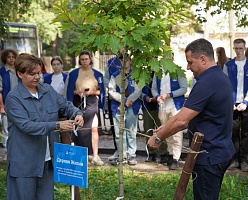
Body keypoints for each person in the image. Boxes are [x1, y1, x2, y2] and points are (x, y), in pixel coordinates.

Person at [148, 38, 235, 199]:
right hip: (221, 150)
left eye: (190, 62)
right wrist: (165, 127)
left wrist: (159, 137)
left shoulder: (206, 83)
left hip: (209, 156)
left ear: (202, 59)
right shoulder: (219, 77)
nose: (187, 67)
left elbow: (182, 120)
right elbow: (188, 115)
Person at [4, 53, 84, 200]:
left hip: (46, 161)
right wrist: (57, 125)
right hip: (24, 163)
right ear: (20, 74)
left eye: (39, 73)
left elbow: (65, 106)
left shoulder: (47, 90)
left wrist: (77, 114)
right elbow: (27, 125)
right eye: (32, 74)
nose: (37, 77)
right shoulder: (13, 98)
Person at [65, 50, 105, 166]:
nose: (84, 61)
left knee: (93, 128)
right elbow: (69, 91)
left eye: (86, 59)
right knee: (80, 129)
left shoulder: (97, 74)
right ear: (79, 61)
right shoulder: (73, 74)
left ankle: (95, 155)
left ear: (90, 60)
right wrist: (77, 92)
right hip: (78, 101)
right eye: (82, 59)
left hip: (92, 101)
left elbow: (101, 91)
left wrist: (92, 92)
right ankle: (82, 155)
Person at [151, 65, 187, 170]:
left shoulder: (177, 70)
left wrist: (170, 94)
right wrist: (157, 96)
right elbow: (154, 88)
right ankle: (170, 154)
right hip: (162, 106)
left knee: (176, 132)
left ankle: (175, 158)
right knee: (166, 131)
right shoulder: (157, 70)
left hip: (175, 105)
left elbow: (184, 88)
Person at [108, 53, 142, 165]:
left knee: (131, 131)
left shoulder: (135, 74)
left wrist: (128, 101)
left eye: (126, 60)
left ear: (130, 61)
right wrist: (122, 101)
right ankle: (122, 154)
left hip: (132, 105)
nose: (124, 62)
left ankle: (132, 155)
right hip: (118, 106)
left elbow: (138, 90)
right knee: (119, 133)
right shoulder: (115, 75)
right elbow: (111, 91)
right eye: (121, 60)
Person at [223, 38, 248, 171]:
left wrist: (245, 102)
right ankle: (234, 159)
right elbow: (225, 84)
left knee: (246, 133)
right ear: (233, 48)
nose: (238, 51)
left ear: (245, 48)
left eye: (241, 48)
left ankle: (244, 160)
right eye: (236, 48)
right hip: (232, 104)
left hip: (246, 104)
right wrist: (230, 101)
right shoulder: (228, 65)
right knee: (232, 132)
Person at [141, 72, 168, 163]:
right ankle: (151, 153)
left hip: (160, 106)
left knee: (161, 130)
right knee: (148, 129)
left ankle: (163, 153)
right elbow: (138, 89)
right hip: (147, 107)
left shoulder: (160, 73)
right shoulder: (143, 73)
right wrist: (145, 97)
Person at [44, 56, 70, 144]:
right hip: (50, 106)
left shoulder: (67, 77)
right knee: (53, 130)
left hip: (63, 105)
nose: (56, 66)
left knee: (65, 130)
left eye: (58, 64)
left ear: (62, 65)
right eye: (54, 64)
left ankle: (67, 150)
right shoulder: (47, 78)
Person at [103, 51, 124, 152]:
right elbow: (105, 78)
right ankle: (118, 151)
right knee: (115, 128)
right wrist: (112, 89)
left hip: (130, 101)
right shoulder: (110, 62)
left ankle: (130, 153)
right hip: (114, 98)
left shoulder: (132, 61)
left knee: (129, 130)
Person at [0, 48, 18, 161]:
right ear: (5, 58)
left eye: (13, 57)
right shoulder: (2, 72)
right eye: (9, 57)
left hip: (20, 104)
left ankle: (17, 152)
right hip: (6, 104)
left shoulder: (19, 70)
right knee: (6, 130)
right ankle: (7, 154)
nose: (11, 59)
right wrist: (1, 106)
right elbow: (0, 91)